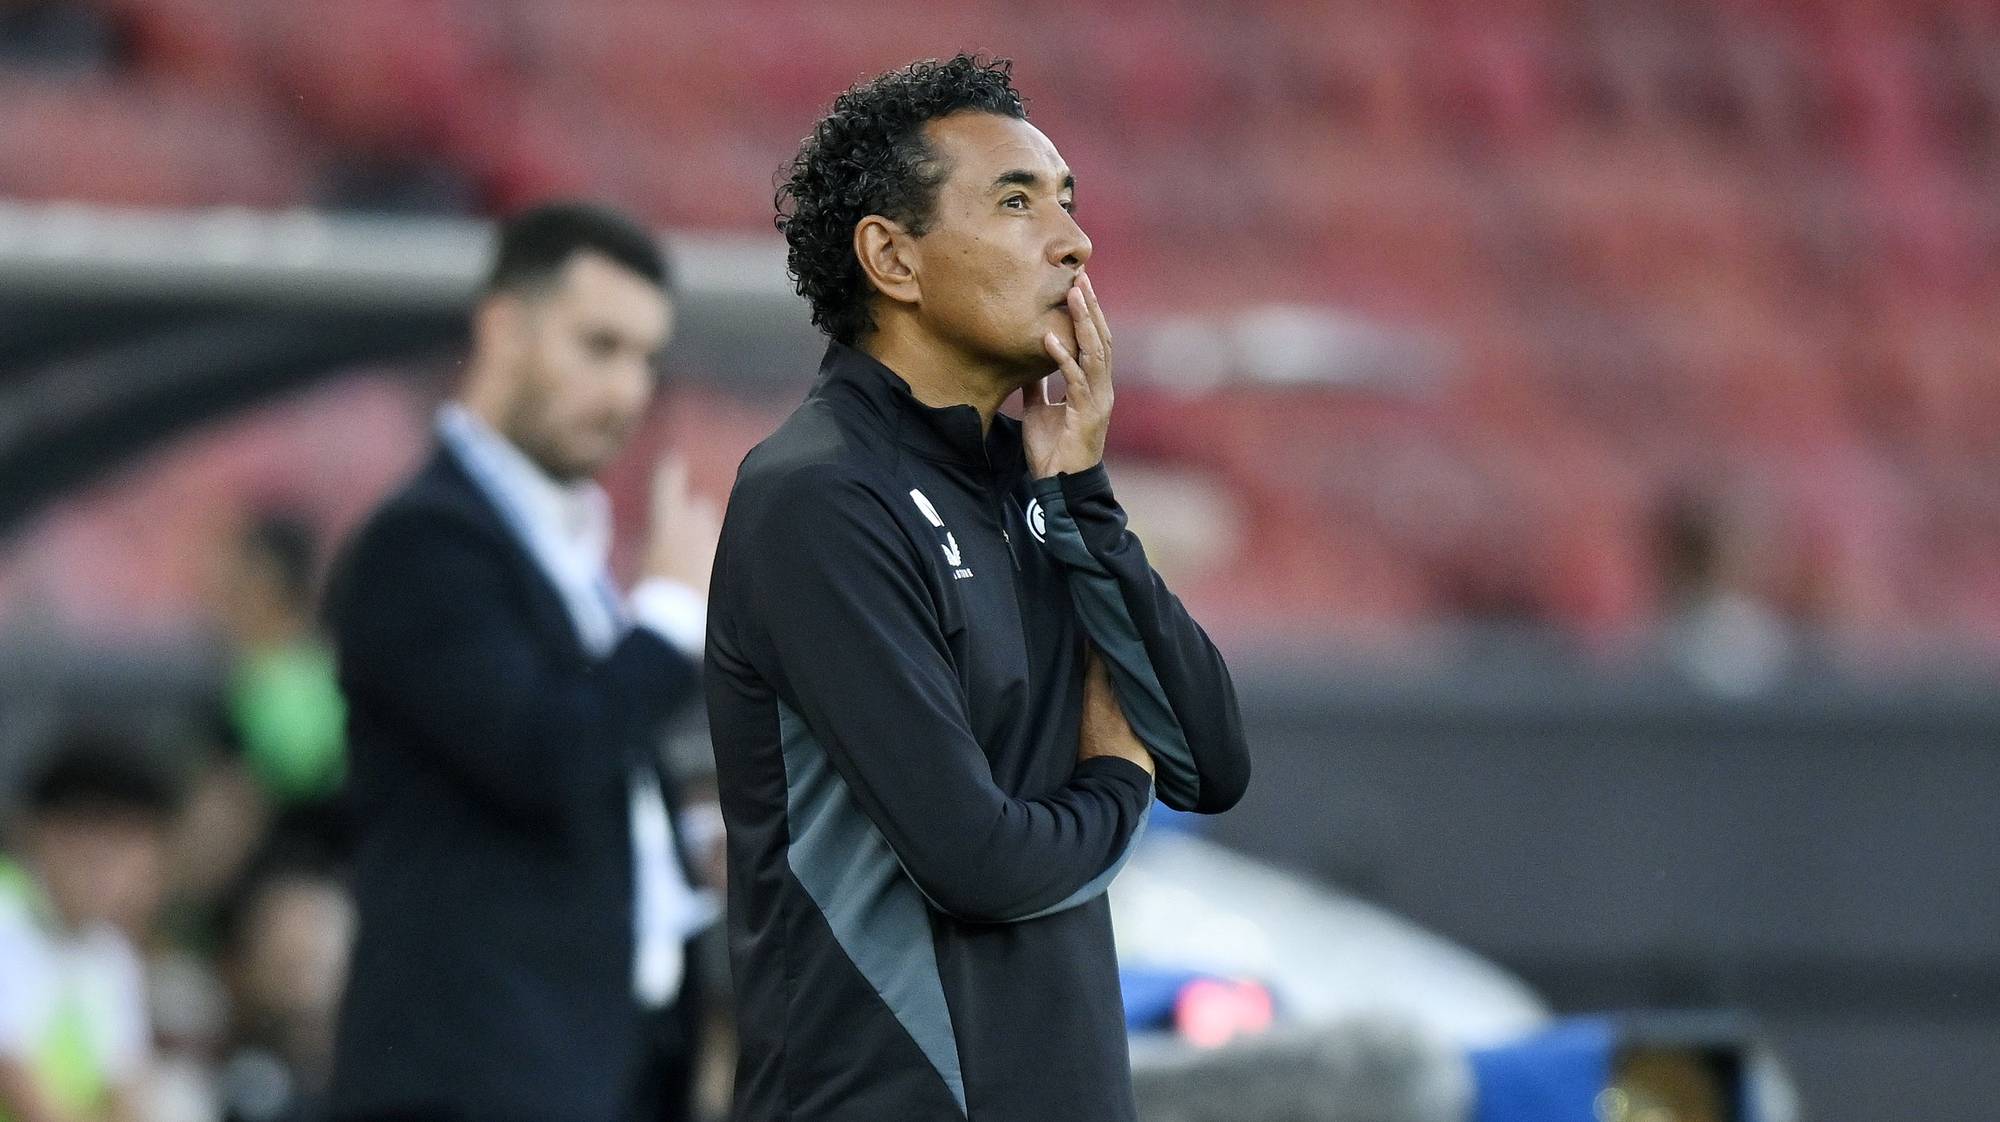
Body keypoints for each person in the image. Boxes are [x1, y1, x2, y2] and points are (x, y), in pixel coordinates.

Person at [706, 55, 1251, 1122]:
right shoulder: (816, 498)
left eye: (1068, 204)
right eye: (1014, 202)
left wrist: (1083, 494)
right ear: (891, 259)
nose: (1073, 242)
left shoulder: (1030, 490)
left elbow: (1210, 758)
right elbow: (978, 863)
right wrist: (1114, 784)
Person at [323, 202, 719, 1122]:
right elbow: (544, 755)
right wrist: (665, 618)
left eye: (646, 360)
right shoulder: (424, 543)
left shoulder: (559, 555)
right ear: (502, 327)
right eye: (600, 346)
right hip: (471, 1084)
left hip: (584, 1075)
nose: (628, 391)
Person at [0, 732, 178, 1122]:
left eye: (133, 856)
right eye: (100, 849)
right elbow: (15, 1081)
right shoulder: (6, 913)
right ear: (45, 834)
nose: (115, 875)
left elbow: (130, 1096)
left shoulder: (112, 954)